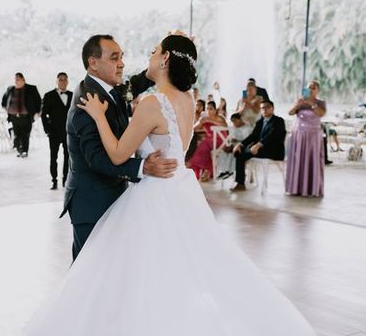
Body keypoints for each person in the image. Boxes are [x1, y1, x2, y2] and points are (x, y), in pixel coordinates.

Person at [27, 34, 353, 336]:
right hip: (180, 193)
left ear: (164, 59)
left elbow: (116, 154)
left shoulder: (150, 103)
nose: (139, 59)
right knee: (183, 277)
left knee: (142, 280)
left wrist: (100, 118)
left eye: (150, 53)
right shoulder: (187, 100)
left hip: (152, 197)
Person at [58, 34, 178, 260]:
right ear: (93, 63)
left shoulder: (111, 88)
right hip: (92, 203)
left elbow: (137, 83)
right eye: (114, 58)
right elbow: (96, 159)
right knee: (88, 274)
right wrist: (143, 168)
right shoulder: (87, 102)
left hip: (116, 197)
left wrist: (165, 57)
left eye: (121, 57)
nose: (121, 63)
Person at [231, 100, 286, 191]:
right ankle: (240, 183)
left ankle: (243, 180)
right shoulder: (260, 122)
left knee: (245, 152)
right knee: (239, 152)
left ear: (272, 108)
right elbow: (253, 136)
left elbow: (272, 135)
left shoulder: (279, 121)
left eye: (267, 107)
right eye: (262, 108)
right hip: (261, 150)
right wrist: (240, 144)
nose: (265, 109)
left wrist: (259, 144)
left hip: (274, 151)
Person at [285, 81, 326, 197]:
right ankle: (295, 188)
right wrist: (298, 105)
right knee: (298, 160)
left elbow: (321, 114)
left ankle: (312, 188)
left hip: (313, 136)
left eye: (314, 88)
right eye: (309, 88)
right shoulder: (300, 101)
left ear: (318, 90)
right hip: (299, 134)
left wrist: (311, 103)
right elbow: (290, 112)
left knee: (312, 160)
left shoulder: (320, 102)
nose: (311, 90)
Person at [41, 72, 72, 189]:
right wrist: (47, 130)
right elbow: (43, 115)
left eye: (65, 80)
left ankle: (65, 180)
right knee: (53, 157)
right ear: (57, 81)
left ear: (67, 81)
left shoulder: (72, 95)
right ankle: (54, 180)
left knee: (68, 156)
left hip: (68, 132)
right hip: (53, 132)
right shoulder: (48, 95)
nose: (63, 82)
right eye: (60, 80)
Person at [1, 72, 41, 157]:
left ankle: (24, 151)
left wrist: (37, 112)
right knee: (17, 134)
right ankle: (19, 150)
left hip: (26, 116)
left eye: (18, 79)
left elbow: (38, 100)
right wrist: (6, 108)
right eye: (15, 79)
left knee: (25, 134)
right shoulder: (10, 89)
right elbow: (4, 100)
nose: (16, 81)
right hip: (14, 116)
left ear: (23, 80)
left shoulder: (31, 88)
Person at [187, 100, 228, 181]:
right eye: (207, 109)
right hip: (210, 140)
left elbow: (225, 126)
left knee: (204, 143)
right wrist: (200, 122)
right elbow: (194, 128)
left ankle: (196, 164)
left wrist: (211, 120)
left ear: (215, 110)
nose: (209, 111)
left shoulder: (220, 117)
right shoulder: (204, 118)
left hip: (221, 139)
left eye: (211, 109)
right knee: (202, 145)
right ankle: (206, 171)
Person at [216, 113, 252, 180]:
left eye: (235, 120)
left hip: (244, 146)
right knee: (224, 152)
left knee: (234, 152)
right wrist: (230, 143)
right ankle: (224, 171)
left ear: (240, 119)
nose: (233, 122)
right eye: (232, 121)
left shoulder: (247, 127)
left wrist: (236, 142)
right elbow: (231, 138)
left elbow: (246, 139)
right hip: (234, 144)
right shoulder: (232, 127)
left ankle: (230, 171)